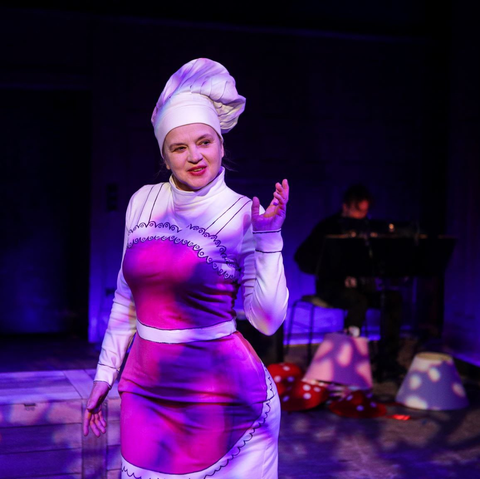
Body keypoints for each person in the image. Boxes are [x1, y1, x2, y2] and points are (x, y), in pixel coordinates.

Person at [83, 58, 290, 479]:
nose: (195, 156)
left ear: (221, 145)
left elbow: (267, 321)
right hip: (146, 388)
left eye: (204, 142)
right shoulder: (142, 201)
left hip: (223, 397)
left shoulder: (243, 214)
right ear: (165, 156)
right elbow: (126, 299)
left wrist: (269, 239)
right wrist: (105, 374)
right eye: (179, 148)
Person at [294, 183, 405, 378]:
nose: (360, 216)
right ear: (345, 206)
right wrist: (334, 271)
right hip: (331, 287)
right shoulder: (328, 227)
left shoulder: (369, 228)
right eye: (357, 210)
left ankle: (388, 359)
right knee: (358, 301)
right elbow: (302, 258)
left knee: (392, 299)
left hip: (361, 288)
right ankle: (348, 359)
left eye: (364, 211)